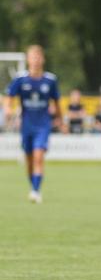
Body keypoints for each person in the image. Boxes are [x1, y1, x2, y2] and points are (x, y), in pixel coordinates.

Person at [3, 45, 60, 203]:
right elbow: (10, 96)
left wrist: (60, 120)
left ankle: (35, 191)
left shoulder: (50, 80)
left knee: (38, 157)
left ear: (42, 59)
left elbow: (57, 101)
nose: (35, 60)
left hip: (43, 125)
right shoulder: (21, 79)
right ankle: (33, 187)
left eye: (38, 57)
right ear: (28, 60)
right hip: (27, 125)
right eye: (32, 57)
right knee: (29, 160)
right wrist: (8, 108)